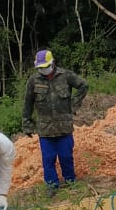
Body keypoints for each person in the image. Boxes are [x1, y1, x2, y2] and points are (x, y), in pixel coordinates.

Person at [22, 49, 89, 198]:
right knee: (48, 158)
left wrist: (74, 105)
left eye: (45, 66)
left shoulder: (66, 76)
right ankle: (52, 186)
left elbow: (84, 85)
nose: (43, 70)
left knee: (66, 156)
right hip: (45, 129)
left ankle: (70, 181)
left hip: (64, 126)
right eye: (40, 68)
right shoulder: (34, 81)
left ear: (52, 63)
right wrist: (26, 123)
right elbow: (28, 103)